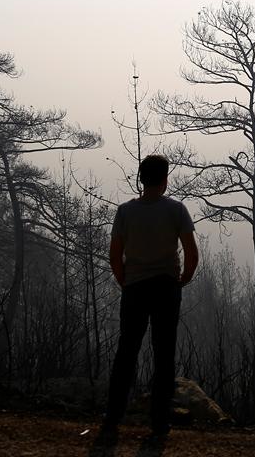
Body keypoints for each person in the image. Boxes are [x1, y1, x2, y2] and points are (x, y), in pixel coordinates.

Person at [102, 154, 199, 439]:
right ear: (165, 179)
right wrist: (185, 277)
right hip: (166, 287)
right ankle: (159, 421)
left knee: (126, 352)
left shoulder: (125, 212)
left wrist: (124, 280)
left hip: (134, 288)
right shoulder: (176, 210)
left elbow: (115, 253)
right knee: (164, 353)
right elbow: (191, 252)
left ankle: (114, 415)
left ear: (141, 179)